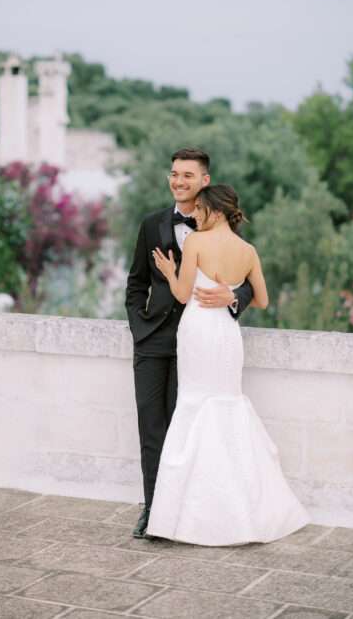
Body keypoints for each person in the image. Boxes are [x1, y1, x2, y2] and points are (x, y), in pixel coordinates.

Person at [145, 183, 311, 545]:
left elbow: (181, 293)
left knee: (194, 405)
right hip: (226, 333)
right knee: (226, 403)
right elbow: (264, 300)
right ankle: (244, 508)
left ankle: (191, 515)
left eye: (200, 210)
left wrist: (170, 271)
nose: (196, 215)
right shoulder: (248, 250)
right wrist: (232, 294)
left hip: (197, 331)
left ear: (215, 211)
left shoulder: (196, 243)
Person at [125, 148, 254, 539]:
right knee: (152, 428)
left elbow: (247, 280)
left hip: (199, 345)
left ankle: (189, 514)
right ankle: (153, 511)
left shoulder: (224, 228)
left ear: (205, 181)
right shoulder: (151, 224)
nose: (179, 181)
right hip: (153, 343)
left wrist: (233, 300)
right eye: (174, 174)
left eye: (187, 175)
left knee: (191, 431)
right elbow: (136, 283)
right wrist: (139, 328)